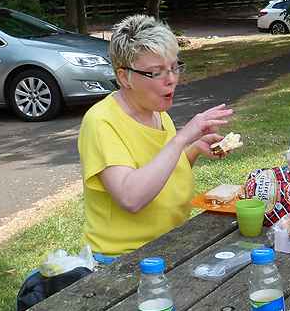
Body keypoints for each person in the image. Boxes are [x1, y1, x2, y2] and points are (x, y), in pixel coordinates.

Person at [78, 14, 234, 259]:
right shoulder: (101, 122)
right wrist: (182, 139)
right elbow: (131, 198)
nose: (171, 79)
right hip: (122, 258)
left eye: (174, 67)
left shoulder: (156, 112)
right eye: (157, 73)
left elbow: (161, 172)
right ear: (124, 77)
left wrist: (193, 150)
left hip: (169, 245)